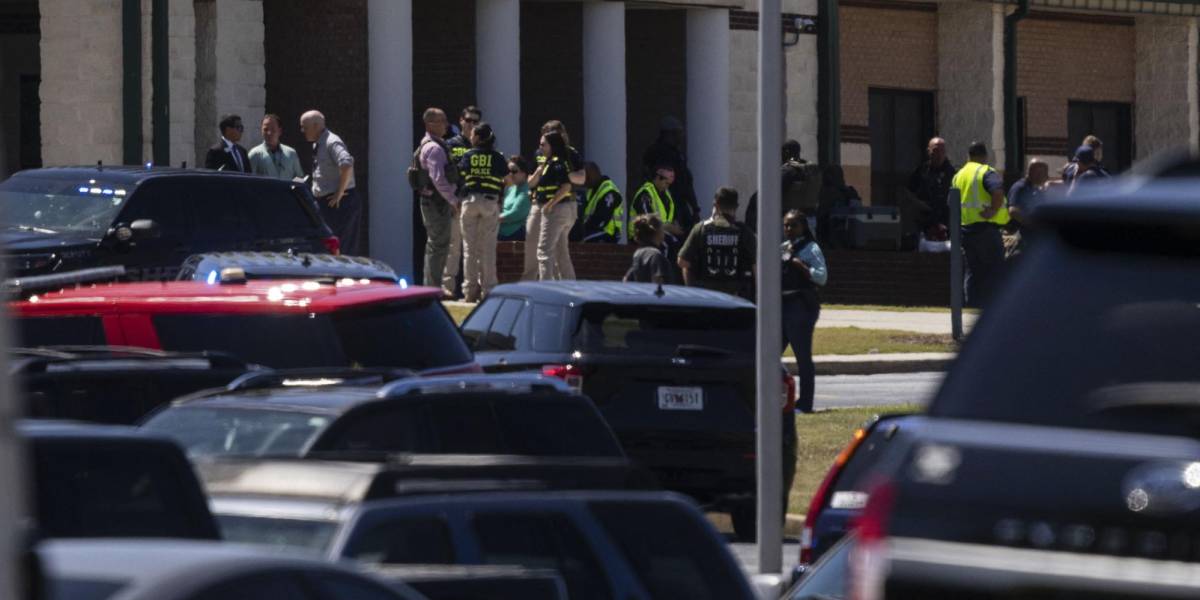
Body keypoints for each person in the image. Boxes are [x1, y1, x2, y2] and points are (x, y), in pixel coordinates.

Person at [781, 209, 827, 414]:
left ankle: (805, 404)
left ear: (803, 227)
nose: (789, 229)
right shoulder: (782, 248)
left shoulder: (811, 248)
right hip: (781, 304)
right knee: (769, 356)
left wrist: (801, 266)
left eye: (793, 225)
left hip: (801, 305)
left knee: (802, 357)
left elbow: (822, 276)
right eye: (786, 225)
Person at [953, 141, 1009, 308]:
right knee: (996, 270)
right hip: (986, 230)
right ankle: (995, 308)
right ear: (985, 156)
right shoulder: (985, 171)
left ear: (968, 156)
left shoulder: (959, 175)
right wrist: (992, 210)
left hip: (966, 231)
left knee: (972, 271)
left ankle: (972, 306)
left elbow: (952, 202)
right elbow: (997, 191)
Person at [455, 122, 506, 302]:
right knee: (488, 249)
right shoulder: (498, 156)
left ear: (478, 137)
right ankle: (488, 291)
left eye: (473, 134)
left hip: (469, 201)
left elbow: (459, 174)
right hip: (490, 202)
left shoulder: (468, 155)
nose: (470, 136)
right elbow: (505, 177)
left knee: (470, 249)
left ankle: (469, 292)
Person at [413, 107, 462, 291]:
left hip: (433, 201)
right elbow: (438, 178)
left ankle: (431, 286)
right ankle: (432, 288)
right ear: (430, 124)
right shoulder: (434, 148)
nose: (446, 125)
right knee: (438, 245)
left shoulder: (430, 145)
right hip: (437, 203)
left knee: (435, 245)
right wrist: (453, 200)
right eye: (442, 121)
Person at [677, 187, 756, 300]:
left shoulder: (701, 229)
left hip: (706, 297)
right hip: (735, 298)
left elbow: (682, 262)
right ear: (736, 206)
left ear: (715, 204)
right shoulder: (744, 231)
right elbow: (756, 266)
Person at [300, 110, 362, 255]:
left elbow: (347, 164)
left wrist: (339, 193)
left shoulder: (331, 141)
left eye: (305, 127)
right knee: (327, 246)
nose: (302, 131)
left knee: (342, 247)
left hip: (340, 204)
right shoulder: (318, 143)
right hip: (326, 204)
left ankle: (345, 276)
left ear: (316, 126)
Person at [441, 106, 481, 297]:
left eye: (476, 121)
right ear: (461, 121)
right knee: (453, 247)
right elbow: (443, 173)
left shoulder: (482, 147)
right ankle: (447, 289)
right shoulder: (450, 144)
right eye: (469, 120)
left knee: (474, 248)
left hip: (474, 199)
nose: (472, 124)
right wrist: (450, 198)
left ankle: (472, 289)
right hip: (456, 200)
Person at [528, 132, 576, 280]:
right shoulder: (548, 163)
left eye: (543, 144)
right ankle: (571, 288)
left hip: (557, 210)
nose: (540, 147)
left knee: (544, 251)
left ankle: (545, 289)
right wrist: (539, 170)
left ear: (552, 146)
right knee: (562, 253)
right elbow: (530, 184)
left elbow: (566, 186)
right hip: (559, 210)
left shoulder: (558, 163)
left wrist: (550, 204)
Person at [642, 116, 699, 231]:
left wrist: (694, 207)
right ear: (669, 134)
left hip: (680, 200)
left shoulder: (677, 153)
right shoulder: (656, 152)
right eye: (678, 133)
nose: (681, 136)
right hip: (666, 199)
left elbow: (686, 180)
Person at [745, 139, 810, 233]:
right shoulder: (806, 168)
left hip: (786, 220)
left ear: (786, 152)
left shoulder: (788, 170)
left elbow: (770, 191)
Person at [907, 137, 955, 234]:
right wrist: (920, 204)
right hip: (925, 221)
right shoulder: (922, 171)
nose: (939, 155)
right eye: (936, 151)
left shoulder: (951, 172)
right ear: (929, 152)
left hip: (946, 222)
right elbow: (908, 192)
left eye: (942, 151)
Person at [1004, 158, 1048, 260]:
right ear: (1036, 173)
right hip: (1021, 237)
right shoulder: (1020, 187)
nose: (1047, 177)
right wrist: (1032, 224)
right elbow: (1013, 210)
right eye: (1045, 173)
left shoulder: (1035, 188)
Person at [248, 114, 305, 180]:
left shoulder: (291, 153)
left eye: (273, 129)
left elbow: (299, 178)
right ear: (261, 131)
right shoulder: (255, 154)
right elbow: (249, 181)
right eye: (265, 129)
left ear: (279, 131)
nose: (269, 133)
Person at [580, 162, 624, 243]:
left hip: (607, 233)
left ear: (593, 174)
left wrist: (583, 230)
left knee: (581, 240)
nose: (584, 182)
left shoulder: (609, 191)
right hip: (594, 232)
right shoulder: (591, 191)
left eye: (586, 178)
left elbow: (601, 218)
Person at [623, 214, 670, 284]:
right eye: (662, 229)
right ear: (657, 231)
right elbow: (658, 282)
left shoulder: (638, 253)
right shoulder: (656, 255)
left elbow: (626, 279)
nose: (664, 232)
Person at [499, 155, 531, 241]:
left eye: (513, 171)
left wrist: (493, 218)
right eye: (508, 171)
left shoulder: (526, 191)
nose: (510, 174)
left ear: (524, 173)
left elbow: (515, 214)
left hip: (515, 233)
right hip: (500, 231)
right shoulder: (510, 188)